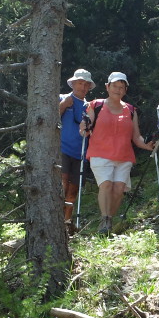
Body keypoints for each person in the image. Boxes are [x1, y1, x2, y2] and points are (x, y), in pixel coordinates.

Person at [80, 72, 156, 234]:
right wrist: (84, 128)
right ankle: (105, 219)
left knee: (119, 190)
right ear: (107, 87)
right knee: (106, 184)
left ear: (125, 90)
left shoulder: (130, 110)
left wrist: (147, 145)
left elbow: (136, 136)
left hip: (123, 156)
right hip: (100, 153)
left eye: (122, 87)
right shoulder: (96, 105)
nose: (118, 89)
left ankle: (109, 222)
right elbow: (86, 125)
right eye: (115, 86)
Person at [58, 68, 94, 231]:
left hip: (81, 153)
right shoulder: (63, 98)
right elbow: (50, 117)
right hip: (63, 150)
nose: (83, 87)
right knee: (62, 185)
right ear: (73, 83)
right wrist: (64, 105)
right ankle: (56, 220)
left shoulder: (89, 106)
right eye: (80, 83)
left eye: (86, 84)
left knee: (73, 190)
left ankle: (66, 222)